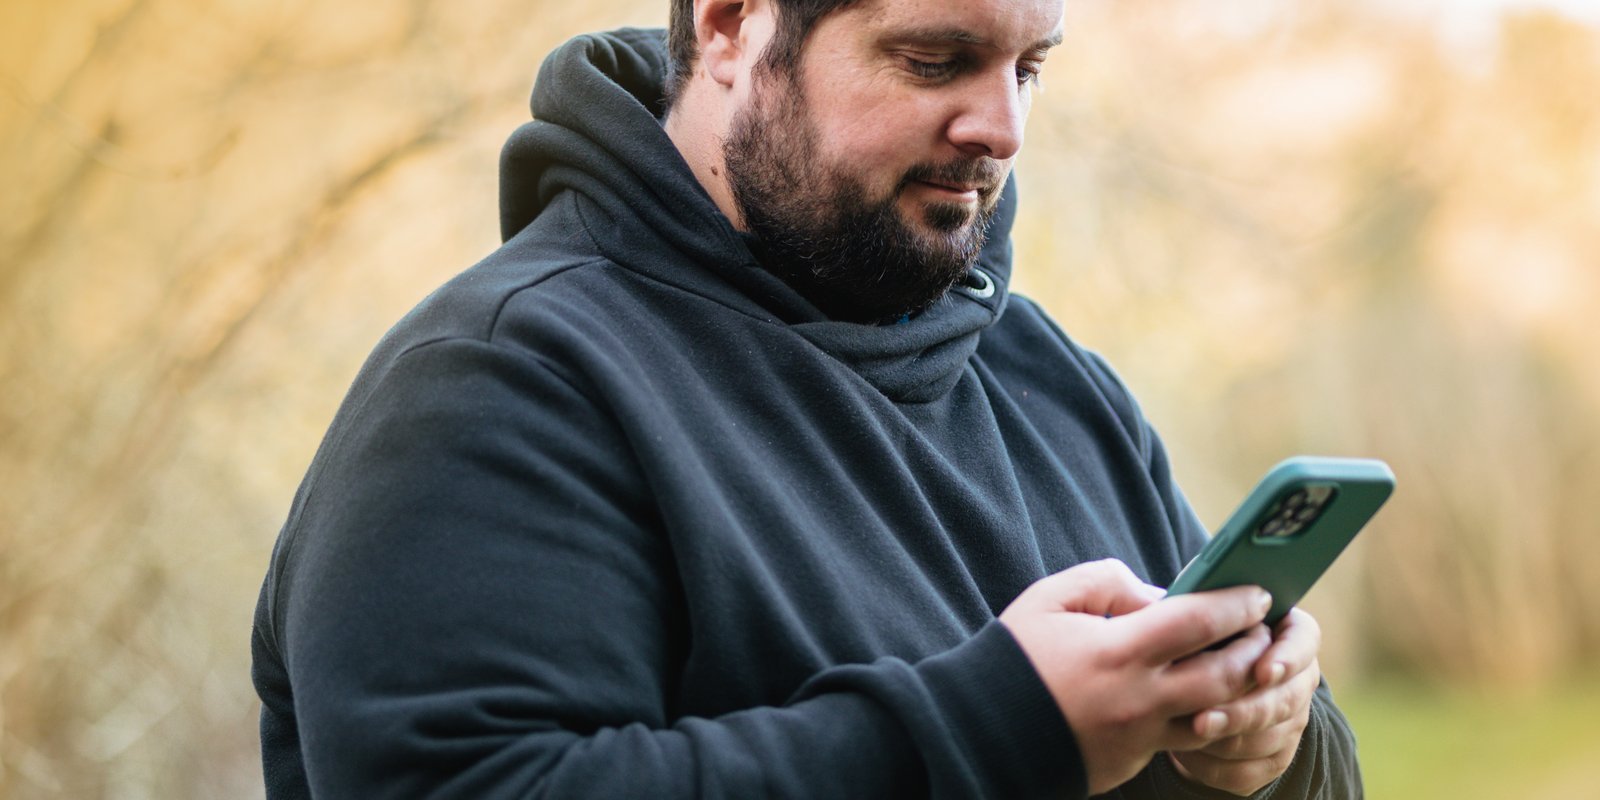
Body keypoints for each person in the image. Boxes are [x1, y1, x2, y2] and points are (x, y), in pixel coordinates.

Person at [250, 0, 1362, 796]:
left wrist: (1274, 744)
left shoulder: (1053, 380)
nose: (1003, 129)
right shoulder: (500, 385)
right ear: (733, 26)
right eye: (935, 57)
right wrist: (1000, 728)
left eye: (1026, 70)